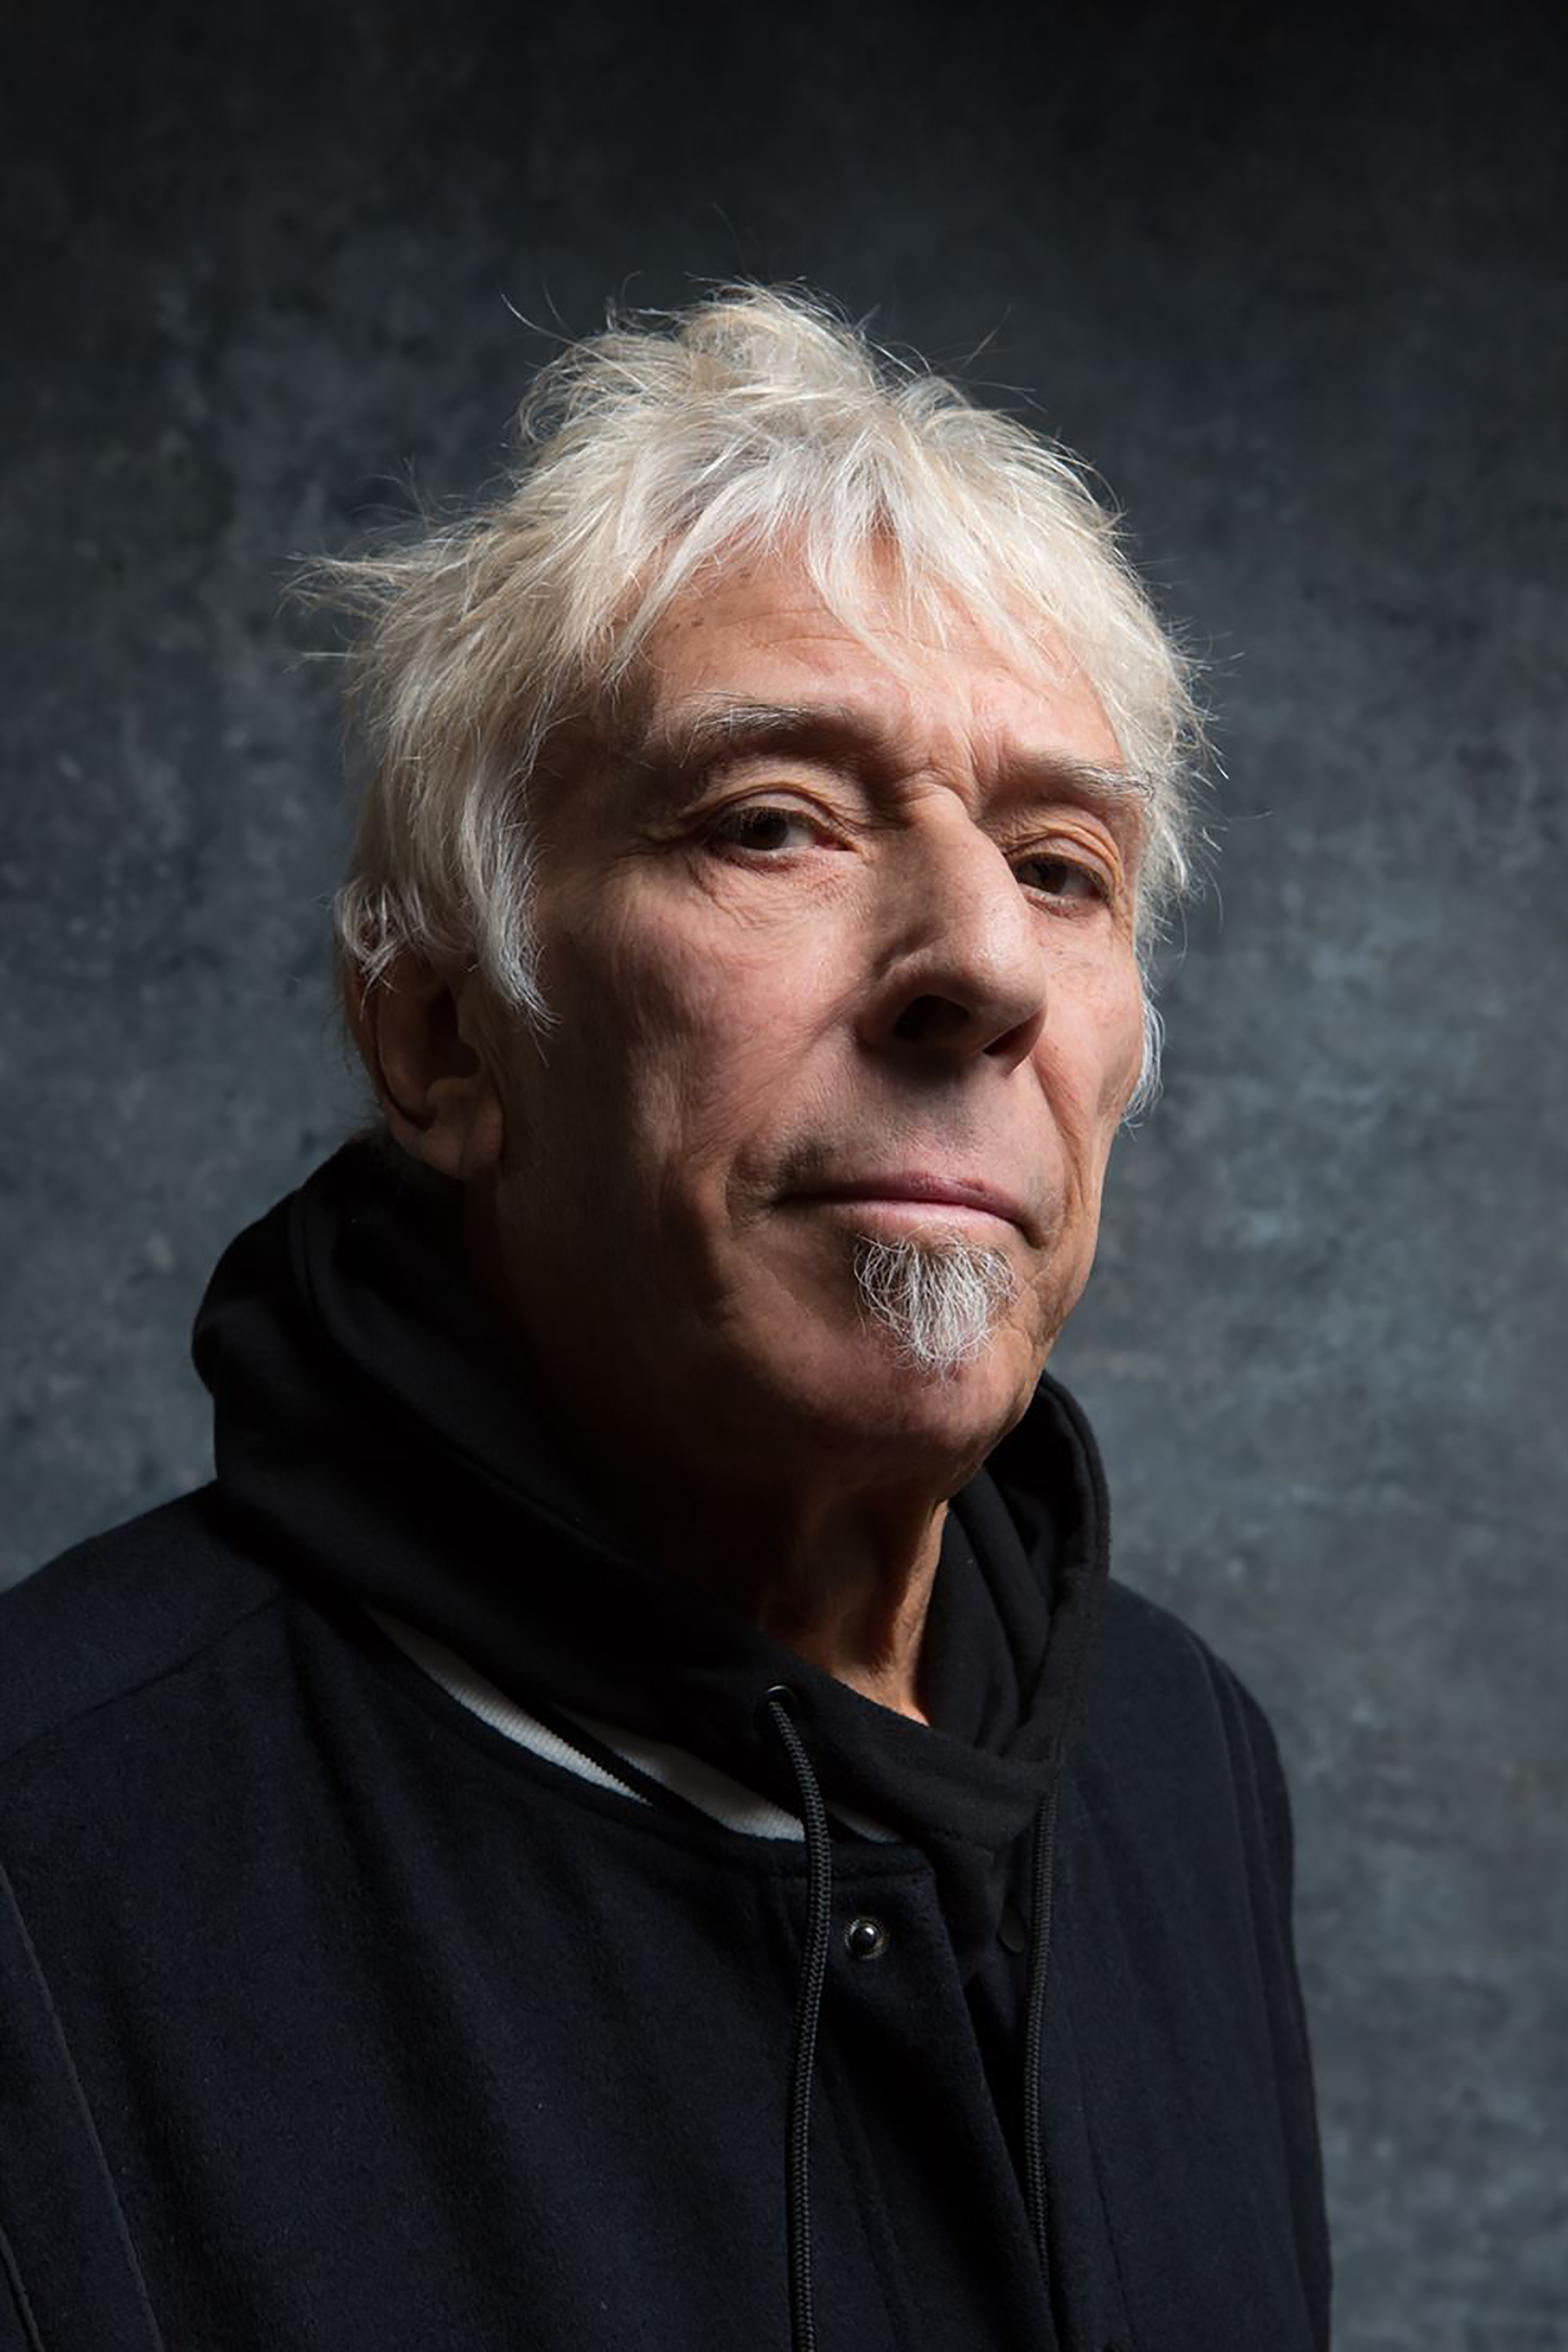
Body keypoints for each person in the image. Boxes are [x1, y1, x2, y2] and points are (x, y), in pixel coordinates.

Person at [0, 286, 1330, 2351]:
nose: (978, 958)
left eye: (1064, 868)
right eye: (773, 823)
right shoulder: (49, 1871)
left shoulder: (1185, 1770)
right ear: (444, 1036)